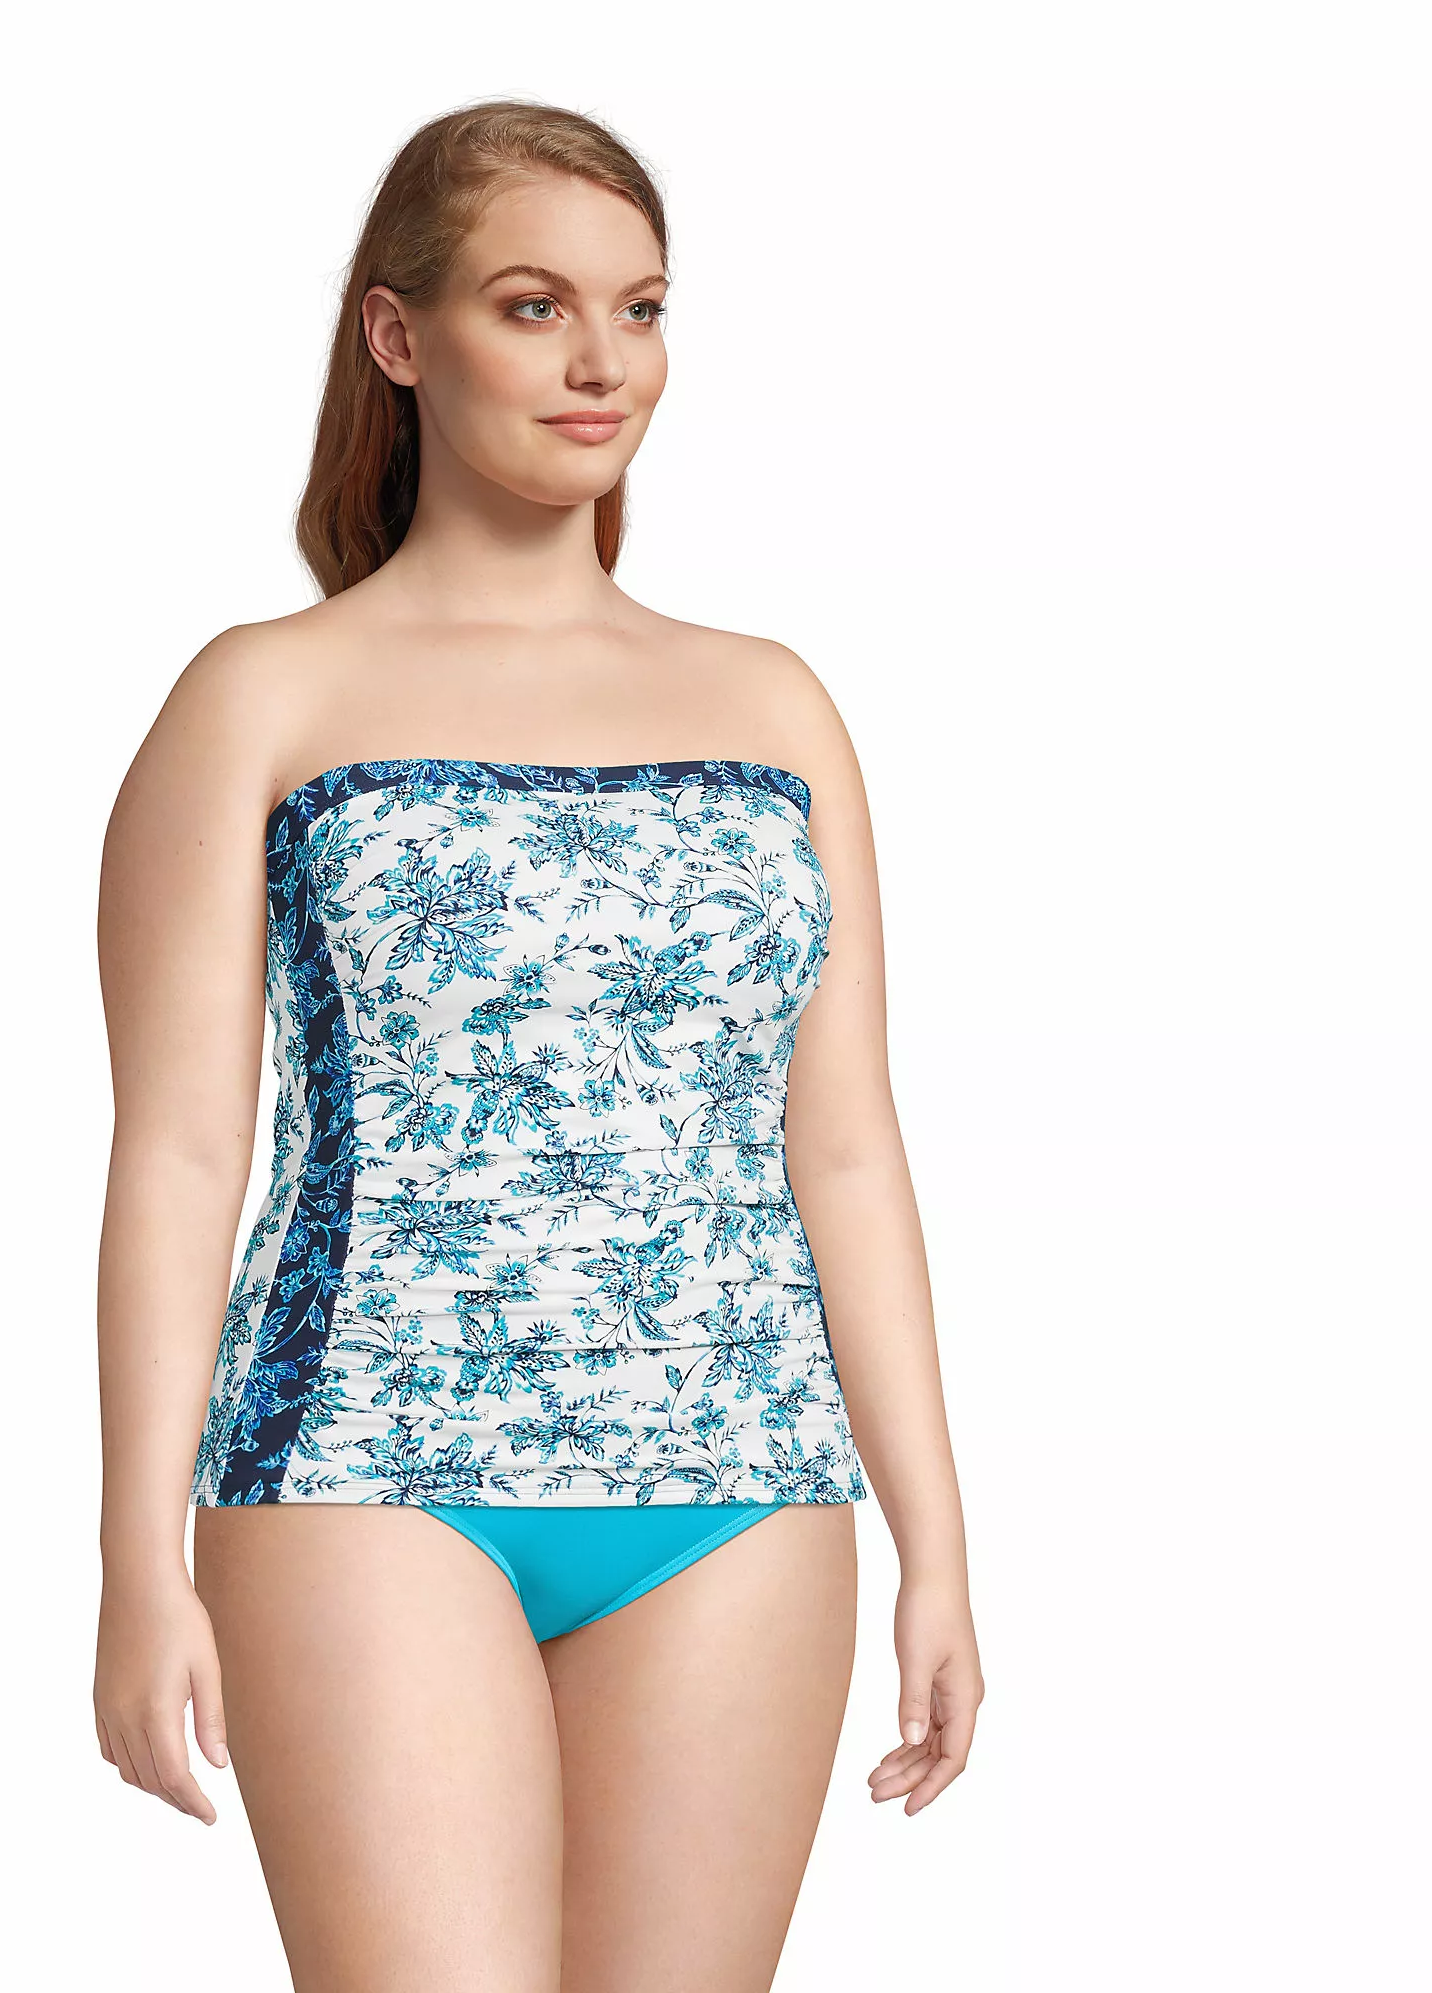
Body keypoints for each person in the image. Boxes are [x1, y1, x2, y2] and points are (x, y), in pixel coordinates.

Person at [92, 100, 983, 1991]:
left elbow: (843, 1148)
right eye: (533, 305)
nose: (602, 363)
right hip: (362, 1471)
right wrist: (134, 1562)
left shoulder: (772, 707)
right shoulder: (264, 697)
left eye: (639, 308)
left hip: (742, 1481)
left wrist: (939, 1542)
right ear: (398, 336)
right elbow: (179, 1153)